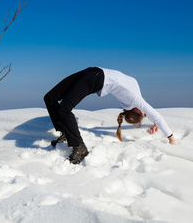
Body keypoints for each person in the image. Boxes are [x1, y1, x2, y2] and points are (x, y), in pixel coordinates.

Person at [44, 67, 176, 164]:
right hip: (93, 72)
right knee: (49, 98)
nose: (145, 112)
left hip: (94, 77)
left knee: (64, 109)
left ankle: (79, 147)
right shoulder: (135, 100)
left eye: (143, 113)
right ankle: (65, 133)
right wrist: (156, 124)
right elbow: (154, 115)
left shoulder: (135, 100)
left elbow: (156, 115)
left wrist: (171, 138)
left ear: (137, 111)